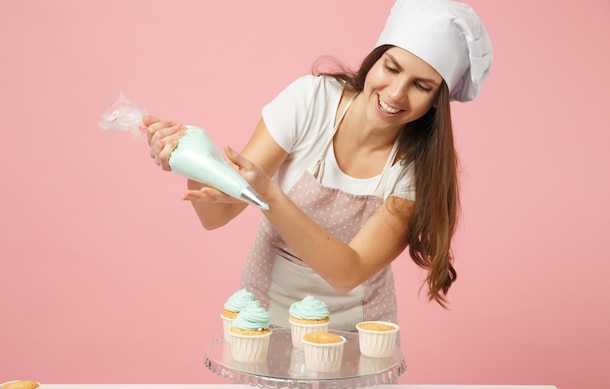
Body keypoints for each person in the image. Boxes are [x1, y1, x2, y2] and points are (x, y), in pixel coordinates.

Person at [143, 0, 493, 331]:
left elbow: (346, 273)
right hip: (264, 318)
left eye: (421, 85)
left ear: (436, 101)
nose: (396, 94)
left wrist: (269, 194)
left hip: (358, 332)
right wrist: (188, 159)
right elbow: (215, 215)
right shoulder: (312, 102)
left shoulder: (417, 170)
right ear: (374, 60)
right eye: (391, 68)